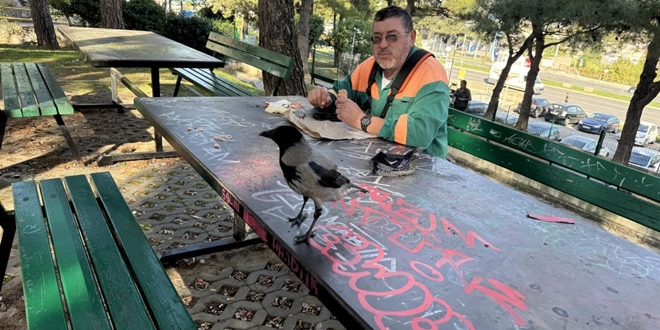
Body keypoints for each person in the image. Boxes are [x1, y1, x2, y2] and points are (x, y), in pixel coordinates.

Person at [307, 5, 450, 159]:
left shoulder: (430, 74)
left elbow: (420, 134)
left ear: (412, 37)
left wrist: (362, 120)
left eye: (392, 36)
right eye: (377, 37)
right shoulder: (369, 66)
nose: (382, 44)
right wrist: (324, 98)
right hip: (373, 157)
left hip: (422, 169)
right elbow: (339, 90)